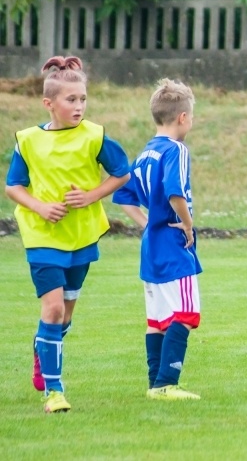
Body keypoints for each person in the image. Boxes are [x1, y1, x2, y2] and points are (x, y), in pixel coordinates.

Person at [5, 56, 130, 413]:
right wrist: (40, 207)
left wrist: (91, 196)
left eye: (83, 99)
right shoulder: (28, 140)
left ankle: (41, 350)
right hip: (42, 236)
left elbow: (122, 173)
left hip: (83, 235)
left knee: (66, 315)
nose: (79, 106)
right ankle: (54, 391)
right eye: (71, 100)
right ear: (49, 104)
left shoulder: (96, 135)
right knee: (54, 308)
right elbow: (13, 186)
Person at [112, 79, 203, 401]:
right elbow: (175, 191)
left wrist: (147, 221)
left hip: (151, 246)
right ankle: (167, 383)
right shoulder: (175, 149)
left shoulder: (146, 152)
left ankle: (155, 385)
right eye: (191, 117)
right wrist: (188, 225)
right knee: (187, 315)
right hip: (175, 246)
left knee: (157, 320)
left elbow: (122, 194)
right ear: (182, 118)